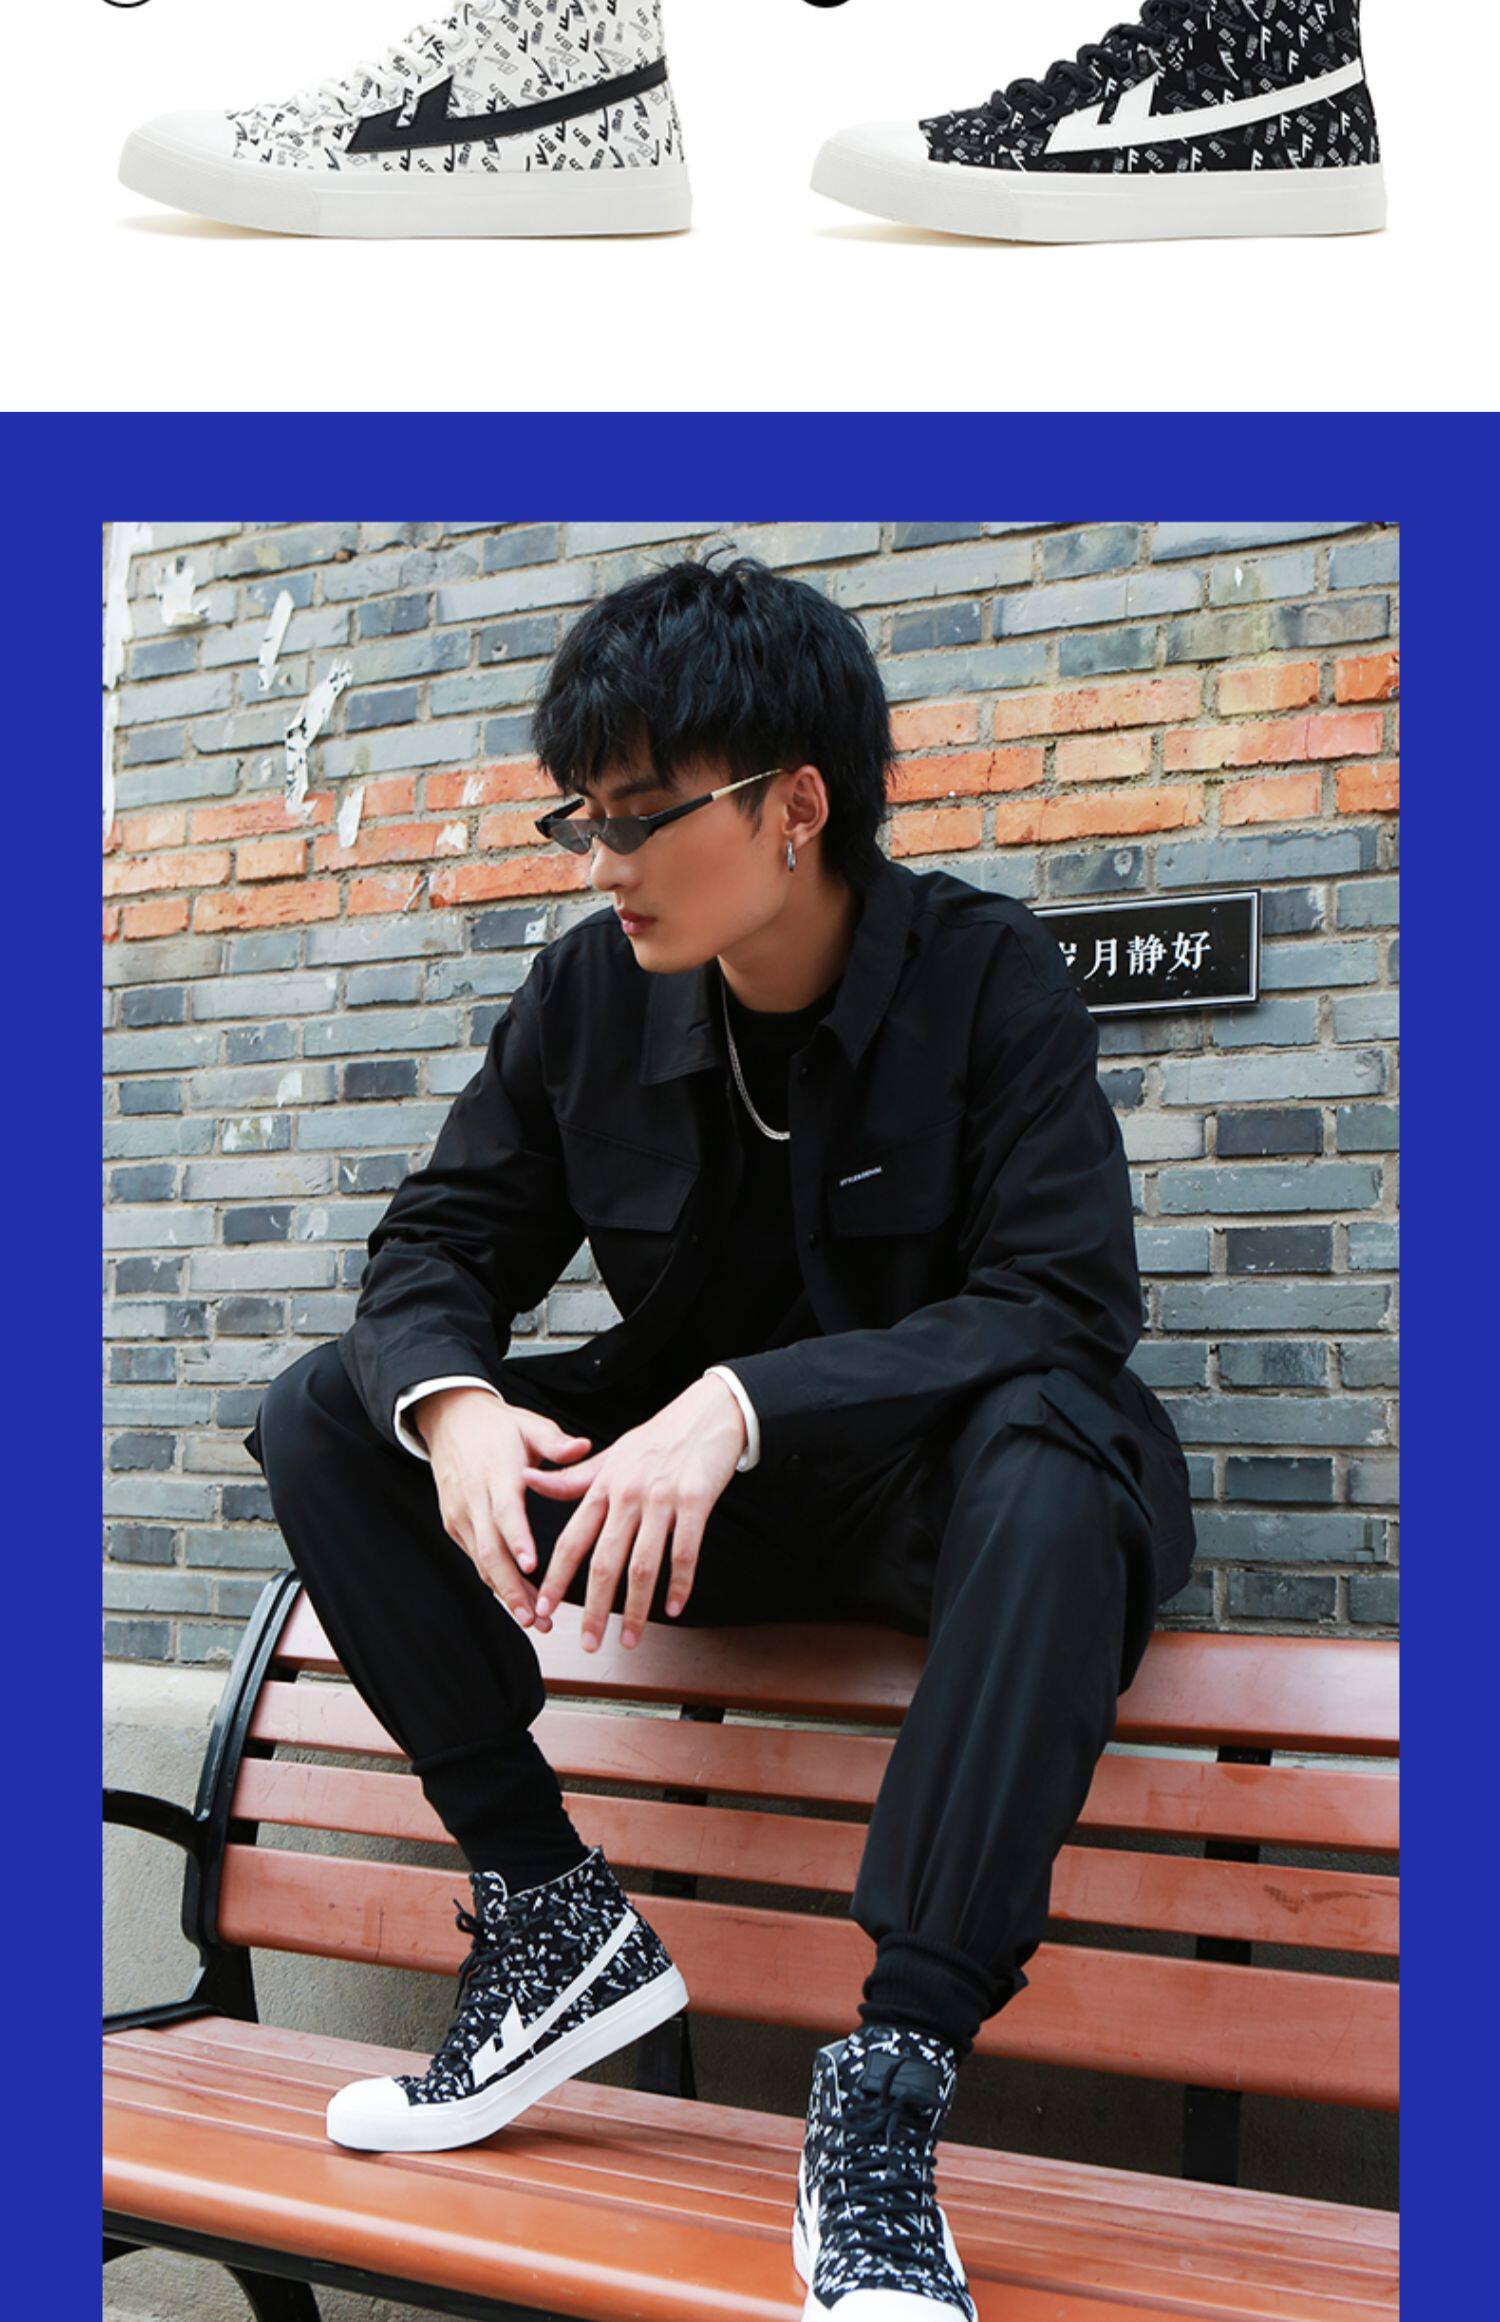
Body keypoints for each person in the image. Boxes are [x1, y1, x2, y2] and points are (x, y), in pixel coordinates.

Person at [246, 553, 1196, 2321]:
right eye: (581, 817)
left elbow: (1064, 1301)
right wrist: (456, 1407)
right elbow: (438, 1244)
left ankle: (887, 2093)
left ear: (795, 806)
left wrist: (749, 1401)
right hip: (692, 1523)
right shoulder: (587, 997)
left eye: (637, 814)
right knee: (327, 1408)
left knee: (1060, 1449)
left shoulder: (989, 977)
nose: (600, 861)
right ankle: (548, 1909)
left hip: (942, 1506)